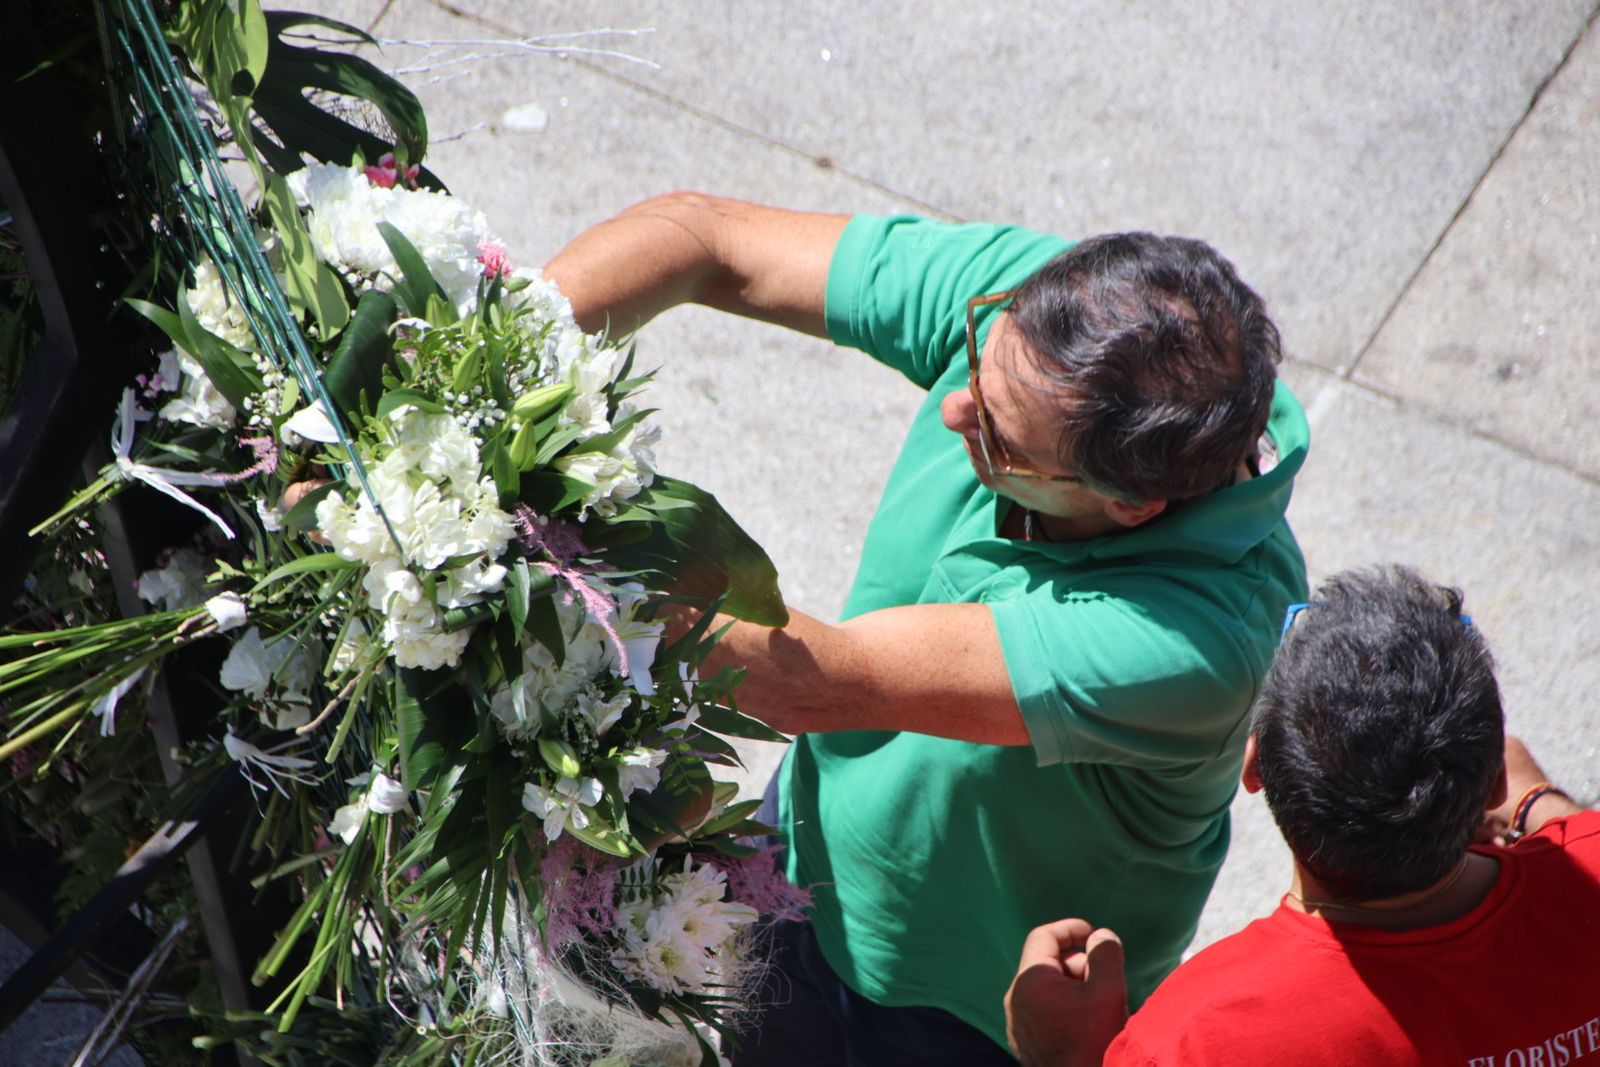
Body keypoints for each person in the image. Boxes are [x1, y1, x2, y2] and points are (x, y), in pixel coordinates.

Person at [543, 193, 1310, 1063]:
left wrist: (550, 560)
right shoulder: (1056, 329)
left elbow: (820, 683)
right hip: (798, 869)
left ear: (1131, 504)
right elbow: (706, 240)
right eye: (979, 361)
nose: (957, 412)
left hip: (978, 1014)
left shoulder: (1197, 640)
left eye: (999, 437)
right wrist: (491, 381)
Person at [1004, 565, 1598, 1067]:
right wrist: (1539, 804)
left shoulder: (1197, 1039)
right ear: (1494, 777)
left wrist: (1069, 1055)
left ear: (1254, 767)